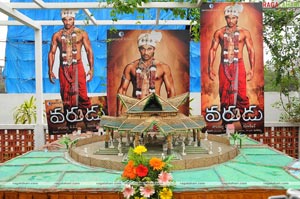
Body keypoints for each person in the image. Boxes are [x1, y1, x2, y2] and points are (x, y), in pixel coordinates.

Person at [207, 3, 255, 129]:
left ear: (237, 18)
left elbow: (251, 50)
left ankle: (246, 125)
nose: (231, 20)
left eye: (233, 18)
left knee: (241, 94)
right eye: (228, 18)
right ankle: (226, 124)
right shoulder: (219, 32)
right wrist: (210, 67)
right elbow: (213, 49)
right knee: (224, 94)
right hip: (224, 65)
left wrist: (252, 69)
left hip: (239, 64)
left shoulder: (245, 32)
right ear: (225, 18)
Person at [48, 9, 94, 120]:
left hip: (77, 65)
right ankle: (70, 121)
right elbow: (52, 53)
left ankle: (88, 120)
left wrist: (91, 69)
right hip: (63, 67)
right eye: (65, 20)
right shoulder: (57, 35)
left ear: (74, 19)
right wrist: (50, 70)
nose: (67, 22)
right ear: (62, 20)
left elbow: (89, 51)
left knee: (82, 93)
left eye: (70, 19)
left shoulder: (81, 33)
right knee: (65, 94)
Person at [117, 31, 176, 115]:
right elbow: (122, 90)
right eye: (143, 49)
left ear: (154, 49)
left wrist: (171, 113)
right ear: (139, 49)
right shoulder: (131, 67)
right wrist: (118, 112)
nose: (145, 52)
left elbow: (170, 91)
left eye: (149, 49)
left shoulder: (163, 67)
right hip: (136, 108)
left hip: (155, 108)